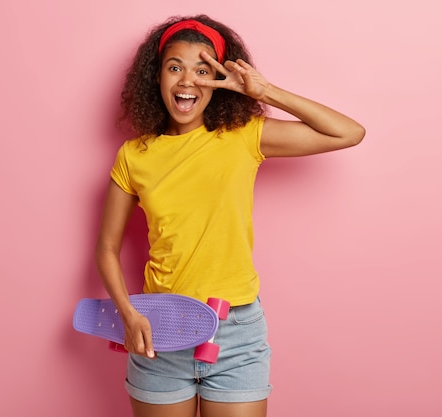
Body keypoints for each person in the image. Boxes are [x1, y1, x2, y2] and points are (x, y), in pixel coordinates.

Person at [94, 14, 365, 417]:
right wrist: (128, 314)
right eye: (175, 68)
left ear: (218, 80)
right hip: (161, 330)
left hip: (236, 331)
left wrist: (265, 91)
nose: (187, 82)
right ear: (156, 77)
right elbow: (107, 247)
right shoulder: (135, 155)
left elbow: (348, 132)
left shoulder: (243, 136)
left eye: (202, 71)